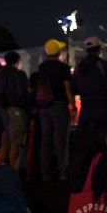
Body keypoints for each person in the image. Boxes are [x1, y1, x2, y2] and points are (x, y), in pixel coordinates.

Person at [38, 39, 76, 181]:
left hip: (44, 107)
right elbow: (67, 89)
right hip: (59, 107)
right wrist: (73, 106)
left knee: (46, 140)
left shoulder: (42, 67)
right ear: (59, 52)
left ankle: (45, 174)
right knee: (61, 140)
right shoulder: (63, 68)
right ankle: (62, 173)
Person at [72, 36, 107, 141]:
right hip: (102, 106)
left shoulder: (79, 67)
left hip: (85, 107)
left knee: (84, 139)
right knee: (103, 138)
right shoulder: (104, 65)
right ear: (99, 49)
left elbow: (74, 87)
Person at [0, 51, 30, 170]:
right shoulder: (18, 74)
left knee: (5, 143)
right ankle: (14, 172)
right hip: (16, 110)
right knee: (16, 142)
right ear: (17, 61)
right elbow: (23, 94)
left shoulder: (1, 75)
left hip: (3, 111)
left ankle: (1, 171)